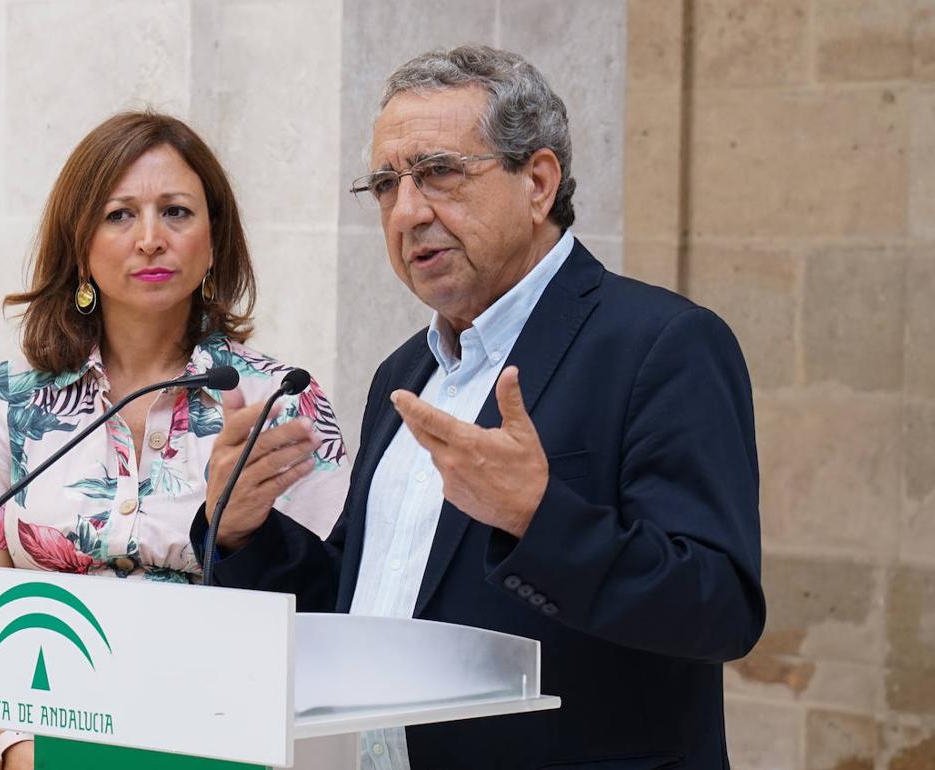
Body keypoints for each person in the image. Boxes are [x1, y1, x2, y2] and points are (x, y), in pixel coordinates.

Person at [195, 45, 765, 769]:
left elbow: (719, 609)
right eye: (384, 186)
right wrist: (244, 535)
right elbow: (364, 605)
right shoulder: (405, 372)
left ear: (538, 181)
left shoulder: (662, 344)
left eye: (438, 173)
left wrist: (538, 517)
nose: (406, 212)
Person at [0, 111, 351, 770]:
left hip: (225, 745)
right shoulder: (9, 402)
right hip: (43, 749)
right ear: (79, 244)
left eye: (176, 212)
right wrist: (23, 752)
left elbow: (333, 611)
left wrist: (240, 529)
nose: (149, 239)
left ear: (214, 241)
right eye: (118, 215)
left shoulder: (281, 402)